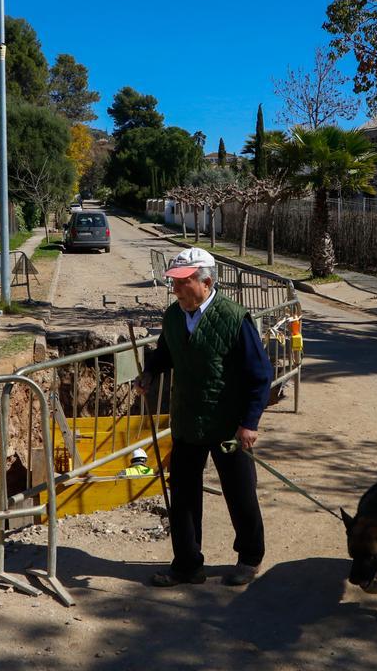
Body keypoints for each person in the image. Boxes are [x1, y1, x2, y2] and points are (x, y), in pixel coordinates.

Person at [135, 247, 273, 587]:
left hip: (228, 425)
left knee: (240, 492)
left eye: (183, 283)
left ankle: (250, 557)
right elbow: (165, 352)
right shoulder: (173, 316)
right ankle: (187, 564)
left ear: (206, 282)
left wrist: (250, 422)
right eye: (174, 284)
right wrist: (149, 372)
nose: (177, 290)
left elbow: (260, 374)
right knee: (182, 495)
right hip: (186, 421)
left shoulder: (234, 318)